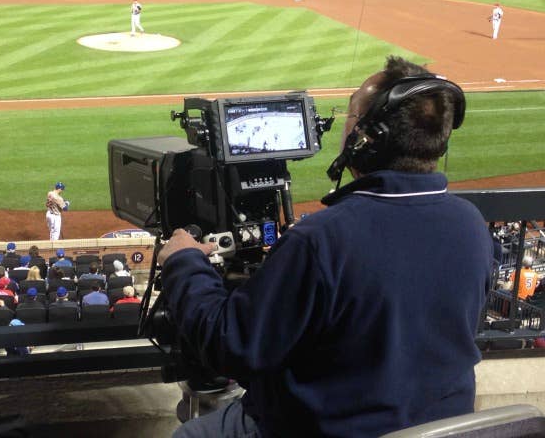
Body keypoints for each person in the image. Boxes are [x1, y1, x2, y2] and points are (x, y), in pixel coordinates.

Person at [156, 56, 494, 437]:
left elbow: (229, 346)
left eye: (350, 115)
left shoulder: (321, 240)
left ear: (366, 139)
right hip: (440, 428)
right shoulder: (471, 224)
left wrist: (184, 260)